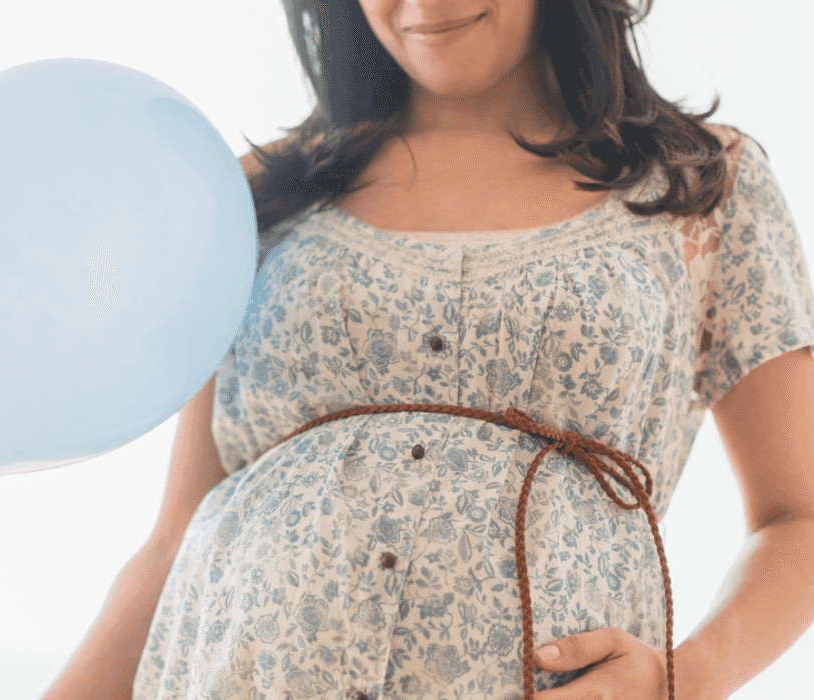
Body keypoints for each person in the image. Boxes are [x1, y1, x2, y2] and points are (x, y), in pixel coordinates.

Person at [41, 1, 814, 699]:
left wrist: (684, 680)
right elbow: (176, 536)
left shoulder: (703, 184)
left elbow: (798, 517)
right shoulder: (259, 195)